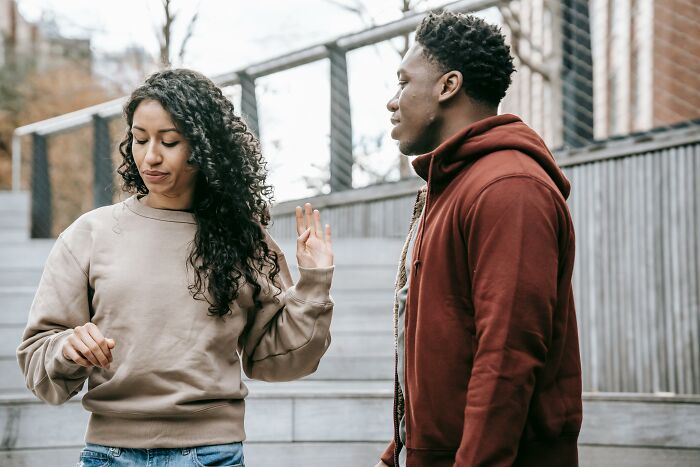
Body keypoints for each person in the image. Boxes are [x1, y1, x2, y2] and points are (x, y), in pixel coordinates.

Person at [17, 68, 335, 467]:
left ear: (204, 148)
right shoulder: (90, 234)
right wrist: (67, 349)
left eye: (169, 141)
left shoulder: (243, 240)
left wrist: (314, 284)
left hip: (212, 454)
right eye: (139, 138)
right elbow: (37, 361)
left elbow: (277, 359)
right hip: (109, 455)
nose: (150, 156)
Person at [376, 11, 582, 467]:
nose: (393, 102)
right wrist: (400, 452)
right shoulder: (448, 187)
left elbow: (507, 354)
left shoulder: (509, 188)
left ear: (448, 86)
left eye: (404, 83)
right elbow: (437, 349)